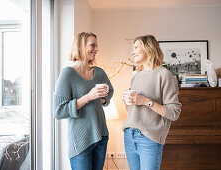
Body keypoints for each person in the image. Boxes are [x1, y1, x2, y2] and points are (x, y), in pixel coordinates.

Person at [53, 32, 114, 170]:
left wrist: (102, 101)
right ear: (80, 46)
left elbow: (110, 91)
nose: (96, 49)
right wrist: (88, 97)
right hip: (81, 141)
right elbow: (58, 111)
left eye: (97, 46)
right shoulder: (67, 74)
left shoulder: (99, 72)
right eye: (93, 45)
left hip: (101, 135)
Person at [122, 35, 181, 170]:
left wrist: (145, 101)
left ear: (148, 48)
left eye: (136, 47)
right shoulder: (136, 75)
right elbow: (131, 111)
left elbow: (174, 113)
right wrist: (127, 101)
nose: (133, 52)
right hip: (129, 135)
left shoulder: (164, 75)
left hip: (149, 138)